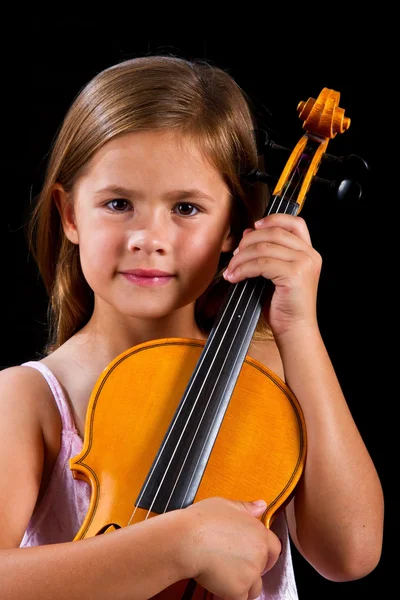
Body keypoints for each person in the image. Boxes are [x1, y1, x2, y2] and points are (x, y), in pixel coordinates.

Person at [0, 54, 383, 600]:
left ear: (234, 226)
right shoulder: (33, 396)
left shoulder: (271, 374)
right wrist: (175, 545)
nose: (149, 237)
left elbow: (352, 552)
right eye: (117, 203)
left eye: (185, 207)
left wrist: (299, 330)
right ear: (69, 215)